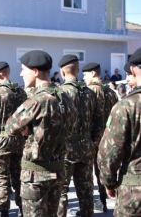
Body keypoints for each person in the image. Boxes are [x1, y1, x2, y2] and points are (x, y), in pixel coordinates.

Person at [5, 50, 76, 217]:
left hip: (35, 176)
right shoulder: (64, 97)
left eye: (24, 69)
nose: (21, 73)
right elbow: (70, 127)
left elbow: (10, 127)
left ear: (35, 72)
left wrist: (27, 130)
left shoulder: (36, 100)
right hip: (57, 171)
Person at [97, 47, 141, 216]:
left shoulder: (127, 106)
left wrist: (109, 182)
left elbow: (109, 152)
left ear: (132, 69)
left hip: (135, 193)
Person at [57, 55, 102, 217]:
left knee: (61, 192)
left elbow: (56, 125)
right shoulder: (89, 93)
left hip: (66, 150)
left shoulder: (61, 93)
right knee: (86, 190)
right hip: (86, 147)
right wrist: (92, 143)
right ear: (77, 70)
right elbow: (99, 122)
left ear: (62, 72)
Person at [0, 61, 27, 217]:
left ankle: (3, 211)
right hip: (19, 141)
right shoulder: (20, 92)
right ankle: (23, 210)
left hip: (0, 142)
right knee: (19, 179)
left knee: (2, 179)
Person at [82, 62, 118, 212]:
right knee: (104, 170)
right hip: (109, 138)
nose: (83, 78)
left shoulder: (89, 91)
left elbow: (85, 116)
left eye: (85, 74)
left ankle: (91, 205)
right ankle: (104, 201)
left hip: (92, 138)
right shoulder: (110, 92)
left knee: (87, 174)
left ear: (92, 73)